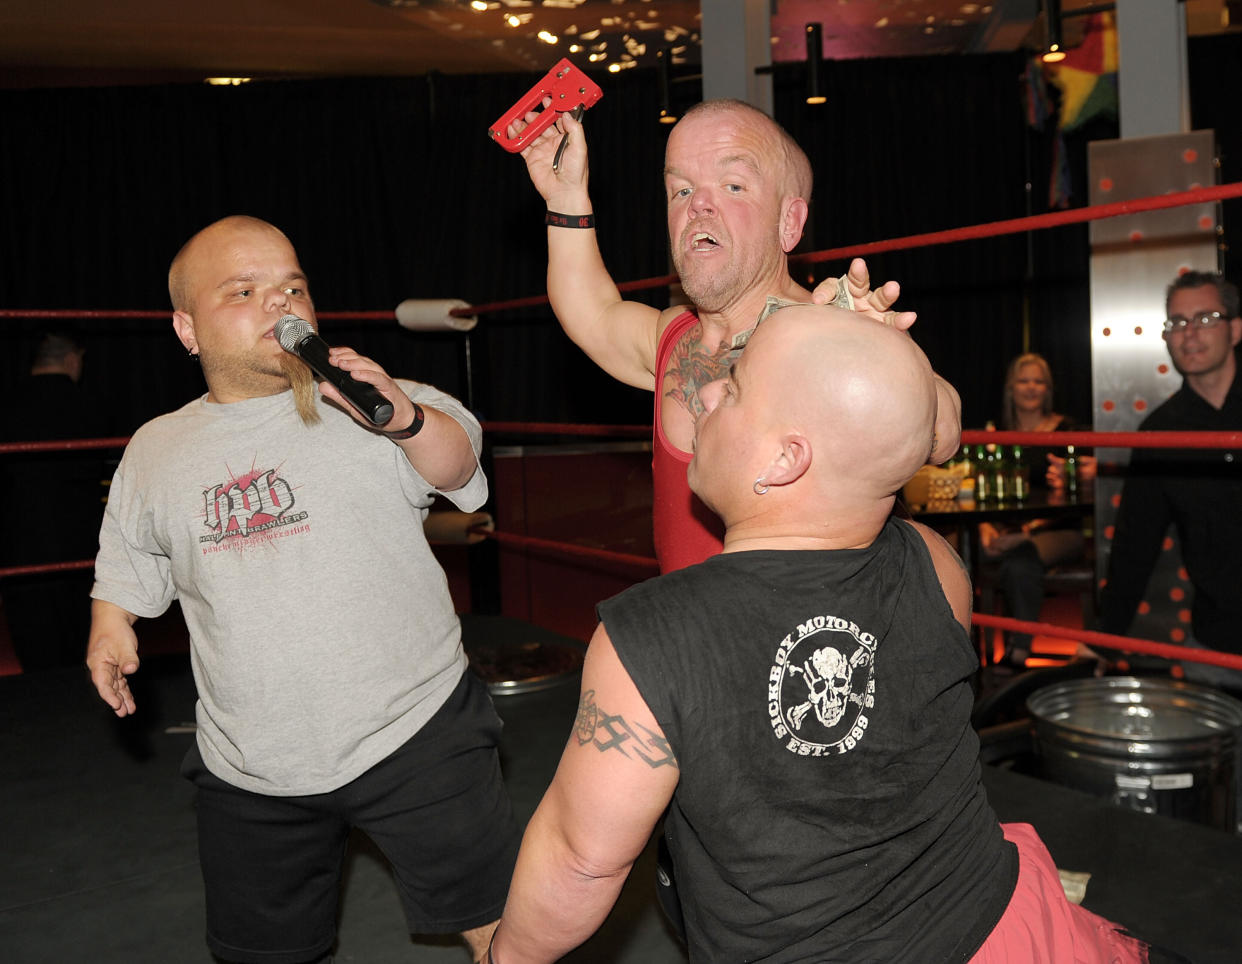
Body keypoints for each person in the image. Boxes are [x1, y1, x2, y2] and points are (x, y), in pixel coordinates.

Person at [487, 306, 1148, 964]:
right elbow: (913, 437)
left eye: (737, 386)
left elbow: (580, 862)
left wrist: (503, 958)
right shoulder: (936, 563)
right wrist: (863, 361)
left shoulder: (652, 639)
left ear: (784, 459)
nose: (709, 390)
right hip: (1002, 929)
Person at [86, 216, 518, 963]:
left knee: (510, 931)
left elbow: (458, 472)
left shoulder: (370, 398)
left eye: (292, 287)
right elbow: (127, 551)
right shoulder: (156, 447)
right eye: (244, 291)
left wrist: (402, 417)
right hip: (251, 761)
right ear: (187, 329)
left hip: (414, 729)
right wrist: (111, 622)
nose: (279, 304)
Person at [514, 97, 962, 572]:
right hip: (694, 634)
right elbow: (593, 313)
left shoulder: (823, 337)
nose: (700, 204)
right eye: (681, 190)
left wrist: (882, 361)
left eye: (732, 185)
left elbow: (942, 432)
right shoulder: (674, 337)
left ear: (789, 222)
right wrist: (565, 199)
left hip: (803, 638)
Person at [1099, 270, 1242, 690]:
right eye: (1177, 323)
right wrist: (1104, 639)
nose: (1189, 334)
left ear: (1235, 329)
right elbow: (1133, 544)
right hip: (1218, 645)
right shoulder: (1160, 431)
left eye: (1205, 318)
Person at [981, 352, 1096, 667]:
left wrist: (1025, 533)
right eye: (1024, 380)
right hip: (1004, 530)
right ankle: (958, 655)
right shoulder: (996, 433)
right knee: (953, 554)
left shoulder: (1067, 430)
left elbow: (1085, 489)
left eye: (1039, 381)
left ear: (1048, 389)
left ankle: (1018, 653)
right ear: (1011, 388)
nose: (1031, 388)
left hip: (1058, 530)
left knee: (1019, 562)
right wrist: (984, 528)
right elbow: (982, 489)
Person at [0, 332, 108, 671]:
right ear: (72, 360)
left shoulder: (7, 405)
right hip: (80, 540)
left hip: (20, 543)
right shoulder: (87, 405)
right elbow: (102, 472)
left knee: (36, 649)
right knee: (84, 642)